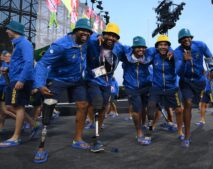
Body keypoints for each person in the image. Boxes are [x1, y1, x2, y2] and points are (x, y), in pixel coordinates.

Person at [33, 18, 93, 163]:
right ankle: (41, 148)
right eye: (82, 30)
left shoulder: (87, 41)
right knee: (48, 108)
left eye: (88, 31)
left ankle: (77, 139)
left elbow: (99, 36)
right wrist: (40, 84)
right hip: (59, 79)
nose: (85, 33)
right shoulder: (61, 45)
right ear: (75, 31)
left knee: (83, 105)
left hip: (77, 79)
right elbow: (42, 63)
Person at [86, 22, 125, 151]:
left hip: (107, 83)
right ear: (103, 35)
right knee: (97, 103)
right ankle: (96, 139)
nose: (111, 38)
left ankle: (97, 126)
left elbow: (133, 51)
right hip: (93, 79)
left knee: (103, 108)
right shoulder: (94, 42)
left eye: (114, 36)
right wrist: (96, 36)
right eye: (109, 34)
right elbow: (87, 35)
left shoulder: (118, 48)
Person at [0, 21, 40, 148]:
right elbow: (20, 62)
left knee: (17, 106)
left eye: (8, 29)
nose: (6, 31)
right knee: (11, 106)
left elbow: (29, 63)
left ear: (14, 30)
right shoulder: (17, 44)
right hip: (16, 78)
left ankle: (16, 137)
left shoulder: (24, 43)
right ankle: (34, 124)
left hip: (20, 80)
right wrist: (9, 69)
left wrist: (21, 80)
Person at [174, 28, 213, 147]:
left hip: (200, 82)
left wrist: (212, 69)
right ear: (180, 40)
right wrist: (184, 61)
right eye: (183, 38)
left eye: (188, 37)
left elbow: (209, 57)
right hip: (186, 81)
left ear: (191, 38)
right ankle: (187, 136)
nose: (186, 39)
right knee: (187, 104)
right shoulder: (177, 52)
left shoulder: (200, 45)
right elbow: (179, 72)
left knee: (194, 103)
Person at [147, 35, 184, 143]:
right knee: (151, 107)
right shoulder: (154, 56)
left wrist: (173, 52)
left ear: (168, 46)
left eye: (165, 45)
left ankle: (180, 131)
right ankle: (150, 129)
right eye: (160, 45)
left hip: (171, 87)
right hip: (156, 87)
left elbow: (179, 54)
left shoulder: (173, 55)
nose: (163, 47)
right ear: (157, 47)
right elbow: (147, 52)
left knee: (179, 110)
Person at [121, 36, 153, 145]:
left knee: (144, 108)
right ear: (133, 48)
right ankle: (139, 132)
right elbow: (116, 44)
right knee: (137, 109)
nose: (141, 49)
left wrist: (171, 52)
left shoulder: (148, 54)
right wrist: (98, 36)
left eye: (143, 47)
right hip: (131, 87)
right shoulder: (126, 55)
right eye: (138, 47)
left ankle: (142, 124)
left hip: (145, 86)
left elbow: (162, 47)